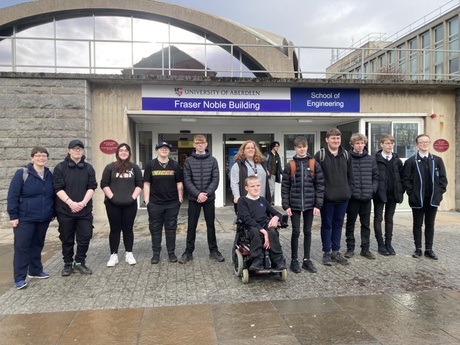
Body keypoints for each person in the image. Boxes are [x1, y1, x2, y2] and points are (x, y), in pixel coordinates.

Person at [7, 146, 55, 290]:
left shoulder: (49, 174)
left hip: (43, 217)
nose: (41, 158)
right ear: (32, 157)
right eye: (38, 155)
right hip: (25, 218)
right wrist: (13, 215)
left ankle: (35, 270)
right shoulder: (22, 173)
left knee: (37, 245)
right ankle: (20, 278)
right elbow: (13, 195)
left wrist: (52, 212)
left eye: (44, 155)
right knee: (22, 247)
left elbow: (51, 195)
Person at [53, 140, 98, 276]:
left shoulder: (89, 168)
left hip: (84, 210)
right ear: (69, 150)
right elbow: (57, 188)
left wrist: (83, 203)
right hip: (65, 210)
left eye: (80, 149)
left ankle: (80, 262)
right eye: (75, 148)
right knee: (67, 238)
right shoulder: (60, 168)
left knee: (85, 236)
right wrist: (71, 203)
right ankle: (68, 263)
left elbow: (92, 187)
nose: (77, 151)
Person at [281, 136, 324, 274]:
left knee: (308, 232)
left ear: (307, 147)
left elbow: (320, 185)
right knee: (296, 232)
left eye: (304, 147)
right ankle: (294, 260)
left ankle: (306, 259)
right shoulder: (290, 165)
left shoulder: (314, 164)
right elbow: (285, 186)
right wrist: (286, 205)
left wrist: (318, 204)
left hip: (310, 204)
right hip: (294, 204)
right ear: (295, 148)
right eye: (299, 147)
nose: (302, 149)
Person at [179, 135, 224, 264]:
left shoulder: (213, 160)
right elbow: (187, 180)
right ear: (193, 145)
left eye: (202, 142)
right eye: (197, 143)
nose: (200, 145)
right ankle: (188, 252)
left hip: (209, 199)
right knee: (191, 225)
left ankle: (214, 251)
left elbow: (215, 179)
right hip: (194, 199)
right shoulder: (188, 161)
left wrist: (206, 194)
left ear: (206, 144)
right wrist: (198, 194)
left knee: (211, 225)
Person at [402, 134, 448, 260]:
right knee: (417, 224)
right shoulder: (411, 161)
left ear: (429, 143)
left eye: (427, 142)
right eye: (421, 142)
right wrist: (411, 193)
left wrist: (439, 193)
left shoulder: (436, 160)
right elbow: (406, 180)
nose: (424, 144)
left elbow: (443, 180)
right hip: (418, 199)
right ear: (417, 145)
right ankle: (418, 249)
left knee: (430, 224)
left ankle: (429, 249)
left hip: (432, 198)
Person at [314, 128, 354, 266]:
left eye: (338, 138)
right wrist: (320, 195)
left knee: (338, 225)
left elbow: (351, 176)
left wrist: (349, 191)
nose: (336, 141)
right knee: (327, 225)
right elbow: (315, 178)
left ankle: (336, 252)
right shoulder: (320, 155)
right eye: (333, 138)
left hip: (343, 197)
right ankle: (326, 252)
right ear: (327, 139)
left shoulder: (346, 155)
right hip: (327, 198)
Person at [101, 143, 143, 267]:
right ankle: (113, 255)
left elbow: (139, 184)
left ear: (129, 153)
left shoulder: (134, 168)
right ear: (117, 153)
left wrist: (132, 198)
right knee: (114, 229)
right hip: (112, 204)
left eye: (126, 150)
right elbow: (104, 184)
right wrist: (112, 198)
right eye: (121, 150)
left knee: (128, 228)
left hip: (130, 204)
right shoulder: (110, 167)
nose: (124, 152)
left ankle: (129, 253)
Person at [143, 141, 183, 264]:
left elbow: (179, 183)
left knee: (171, 228)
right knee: (155, 228)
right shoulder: (150, 165)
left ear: (169, 151)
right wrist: (147, 200)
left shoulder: (175, 165)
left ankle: (171, 253)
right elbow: (146, 183)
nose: (164, 150)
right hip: (155, 203)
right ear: (157, 150)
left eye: (166, 148)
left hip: (172, 203)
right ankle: (156, 254)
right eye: (161, 148)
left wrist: (180, 198)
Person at [237, 176, 286, 270]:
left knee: (272, 231)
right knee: (255, 231)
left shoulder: (263, 200)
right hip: (250, 226)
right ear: (246, 188)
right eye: (252, 186)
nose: (256, 188)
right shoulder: (243, 201)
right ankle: (257, 260)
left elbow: (277, 213)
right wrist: (263, 231)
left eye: (258, 185)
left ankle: (277, 259)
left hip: (264, 224)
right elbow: (246, 218)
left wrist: (276, 218)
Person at [344, 133, 379, 260]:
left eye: (362, 143)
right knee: (350, 224)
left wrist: (372, 190)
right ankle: (350, 248)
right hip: (353, 198)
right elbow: (344, 177)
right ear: (352, 144)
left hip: (366, 198)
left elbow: (376, 177)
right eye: (357, 143)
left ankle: (365, 249)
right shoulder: (347, 158)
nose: (360, 145)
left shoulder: (371, 159)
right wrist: (349, 192)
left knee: (365, 225)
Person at [373, 134, 404, 256]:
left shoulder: (397, 160)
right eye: (387, 143)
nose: (390, 145)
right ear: (381, 145)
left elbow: (401, 177)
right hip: (379, 194)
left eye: (391, 143)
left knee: (389, 219)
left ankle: (388, 244)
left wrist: (401, 190)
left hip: (393, 194)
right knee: (378, 219)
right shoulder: (375, 159)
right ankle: (380, 245)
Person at [230, 140, 270, 212]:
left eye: (252, 148)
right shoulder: (238, 165)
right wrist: (237, 197)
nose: (251, 149)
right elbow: (234, 183)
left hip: (262, 199)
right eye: (248, 148)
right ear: (243, 151)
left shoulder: (261, 163)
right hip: (247, 201)